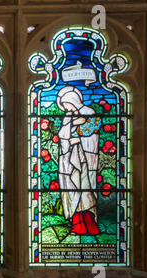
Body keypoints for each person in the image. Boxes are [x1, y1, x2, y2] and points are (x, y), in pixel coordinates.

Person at [56, 86, 101, 235]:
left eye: (66, 104)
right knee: (73, 189)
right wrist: (72, 124)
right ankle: (77, 225)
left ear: (73, 101)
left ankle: (89, 225)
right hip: (70, 160)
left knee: (85, 189)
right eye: (63, 105)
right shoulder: (68, 117)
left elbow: (93, 137)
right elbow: (62, 136)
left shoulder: (89, 113)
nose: (65, 107)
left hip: (84, 159)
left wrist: (78, 140)